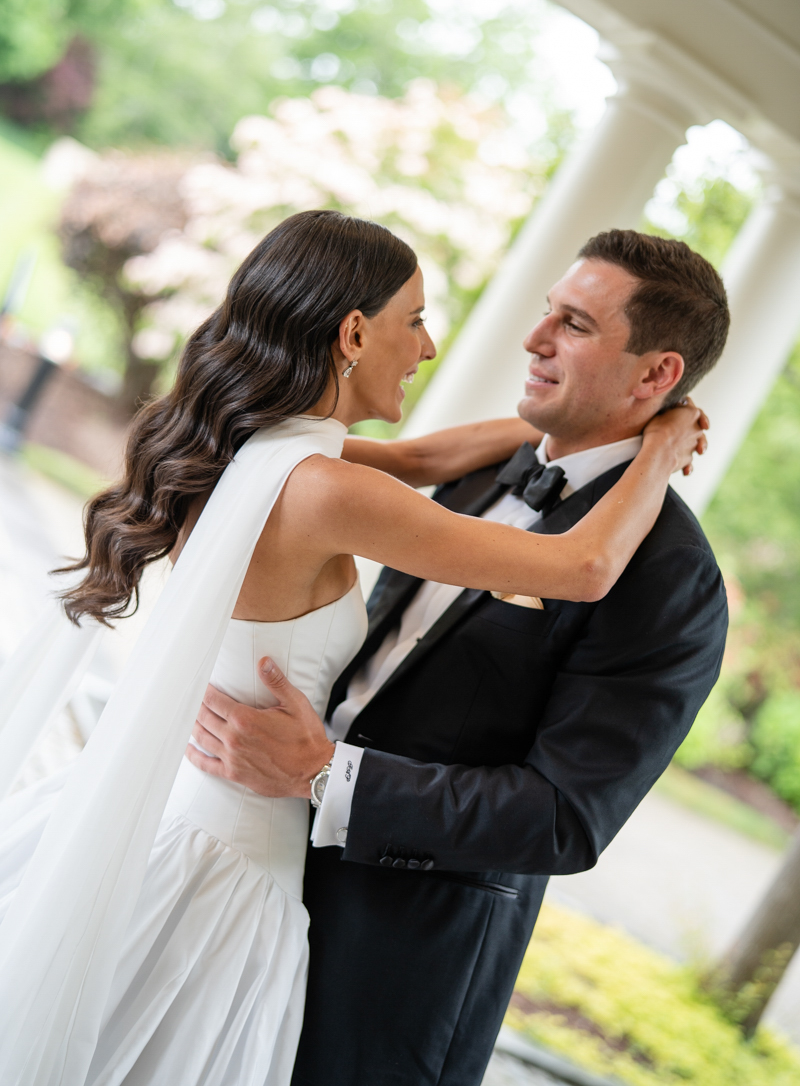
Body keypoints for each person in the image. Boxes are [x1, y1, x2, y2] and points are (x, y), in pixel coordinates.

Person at [0, 213, 703, 1086]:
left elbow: (421, 455)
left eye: (574, 322)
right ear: (354, 333)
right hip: (233, 866)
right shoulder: (327, 487)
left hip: (256, 864)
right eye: (415, 321)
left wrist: (571, 432)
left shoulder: (261, 448)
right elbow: (585, 565)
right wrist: (659, 449)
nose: (434, 345)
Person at [188, 228, 730, 1086]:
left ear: (659, 375)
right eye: (547, 310)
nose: (533, 337)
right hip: (256, 882)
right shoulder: (482, 472)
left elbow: (563, 816)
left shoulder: (670, 580)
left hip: (398, 965)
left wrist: (329, 776)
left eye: (575, 325)